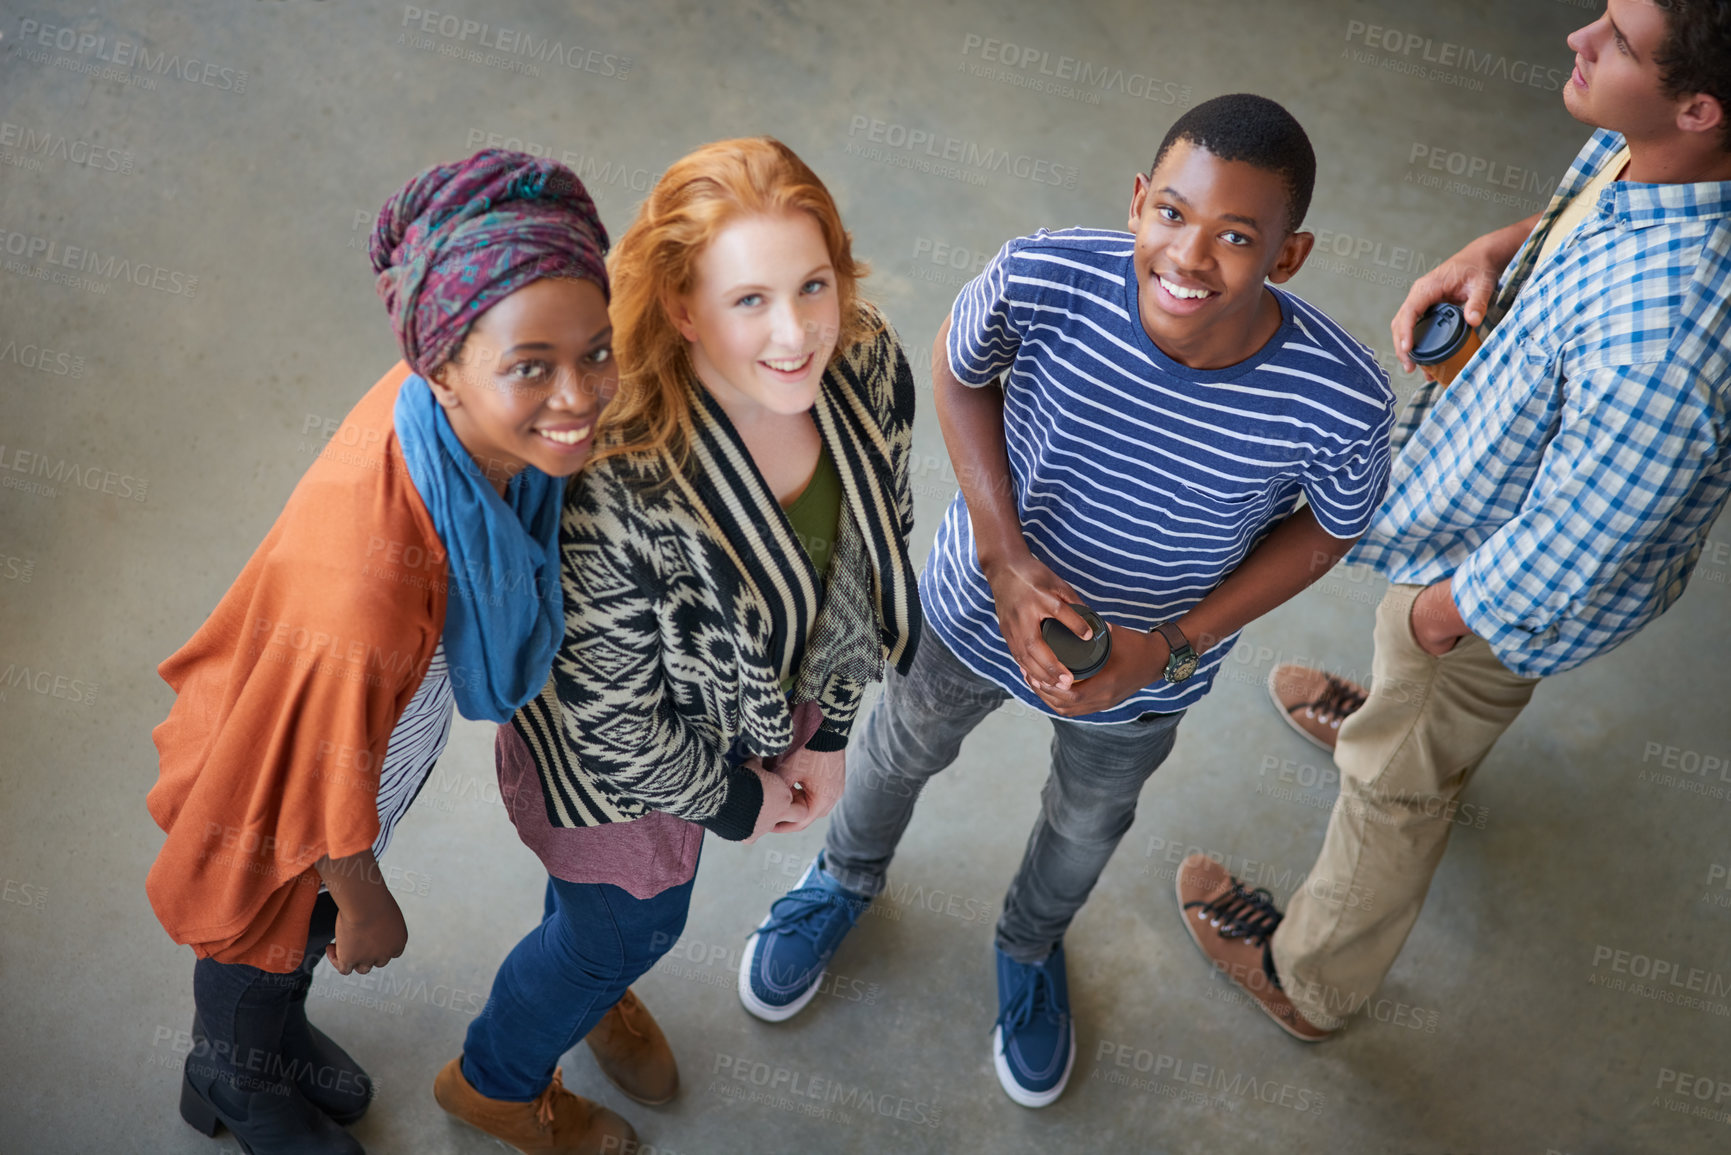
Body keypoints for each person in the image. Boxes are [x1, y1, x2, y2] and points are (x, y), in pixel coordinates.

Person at [736, 94, 1397, 1107]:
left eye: (1236, 237)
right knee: (897, 746)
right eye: (1171, 214)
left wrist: (1172, 643)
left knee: (1088, 821)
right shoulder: (1044, 276)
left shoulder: (1336, 395)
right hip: (967, 614)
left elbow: (1335, 525)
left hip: (1144, 676)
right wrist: (1003, 558)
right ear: (1137, 204)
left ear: (1290, 255)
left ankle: (1031, 944)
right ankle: (843, 879)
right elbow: (960, 374)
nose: (1188, 255)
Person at [1178, 0, 1731, 1042]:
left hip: (1489, 590)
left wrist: (1438, 617)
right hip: (1478, 515)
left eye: (1614, 41)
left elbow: (1581, 537)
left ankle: (1311, 980)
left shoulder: (1669, 347)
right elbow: (1600, 222)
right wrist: (1499, 249)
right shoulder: (1662, 155)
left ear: (1698, 105)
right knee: (1418, 691)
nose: (1576, 39)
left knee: (1399, 781)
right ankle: (1402, 711)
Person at [431, 137, 924, 1153]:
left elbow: (876, 543)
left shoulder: (863, 355)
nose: (796, 336)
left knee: (600, 920)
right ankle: (494, 1080)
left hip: (751, 706)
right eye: (749, 301)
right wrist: (744, 801)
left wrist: (827, 730)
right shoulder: (613, 473)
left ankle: (592, 970)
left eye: (813, 284)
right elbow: (612, 722)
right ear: (681, 307)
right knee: (633, 922)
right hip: (618, 764)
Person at [143, 150, 616, 1154]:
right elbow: (319, 779)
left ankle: (266, 1038)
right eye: (532, 366)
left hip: (367, 734)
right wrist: (366, 902)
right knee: (275, 926)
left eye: (597, 351)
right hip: (293, 788)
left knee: (293, 949)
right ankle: (226, 1074)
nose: (579, 398)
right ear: (443, 366)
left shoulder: (448, 412)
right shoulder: (367, 589)